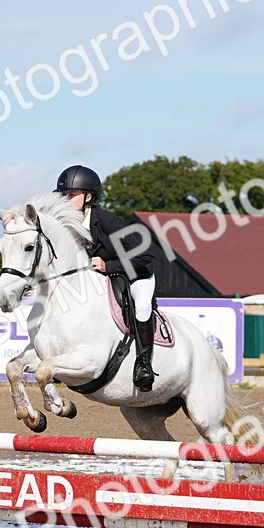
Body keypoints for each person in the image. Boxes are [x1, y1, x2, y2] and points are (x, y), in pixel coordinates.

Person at [53, 164, 159, 391]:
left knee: (141, 307)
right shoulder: (66, 225)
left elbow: (145, 257)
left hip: (136, 275)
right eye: (62, 196)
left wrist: (108, 264)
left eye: (71, 195)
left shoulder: (108, 221)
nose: (65, 200)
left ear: (88, 196)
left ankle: (144, 365)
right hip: (103, 278)